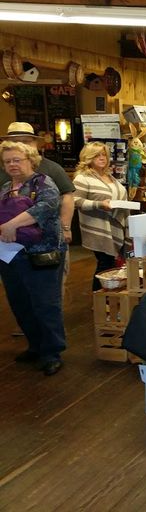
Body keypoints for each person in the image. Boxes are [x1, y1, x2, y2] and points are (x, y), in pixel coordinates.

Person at [0, 141, 67, 376]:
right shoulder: (6, 187)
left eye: (16, 159)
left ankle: (51, 352)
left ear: (31, 160)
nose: (11, 164)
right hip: (10, 255)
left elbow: (46, 208)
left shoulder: (43, 183)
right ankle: (35, 345)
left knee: (45, 304)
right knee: (20, 303)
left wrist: (10, 225)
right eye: (7, 161)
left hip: (42, 254)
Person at [0, 122, 74, 244]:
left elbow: (62, 199)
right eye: (8, 161)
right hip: (11, 243)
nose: (12, 164)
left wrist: (66, 227)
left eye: (25, 141)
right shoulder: (6, 184)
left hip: (43, 245)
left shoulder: (48, 174)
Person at [73, 142, 129, 291]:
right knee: (105, 264)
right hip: (98, 228)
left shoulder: (109, 176)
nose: (102, 158)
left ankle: (106, 299)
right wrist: (99, 204)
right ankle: (100, 300)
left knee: (110, 264)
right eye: (97, 155)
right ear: (88, 157)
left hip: (114, 224)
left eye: (104, 154)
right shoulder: (82, 178)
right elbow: (75, 201)